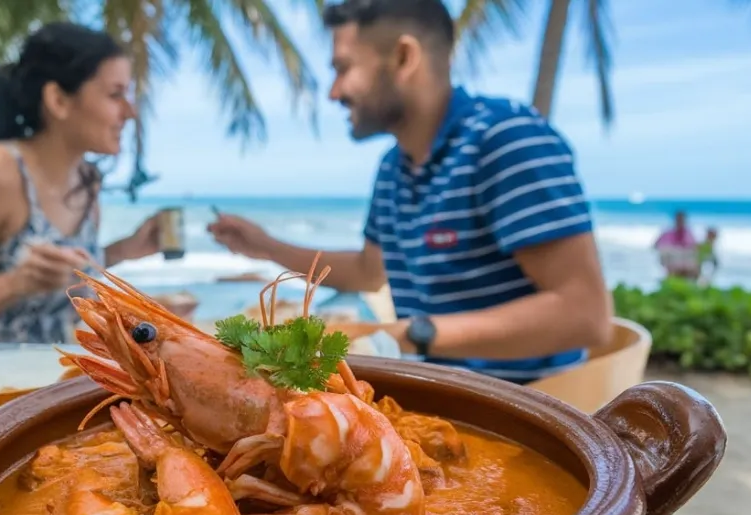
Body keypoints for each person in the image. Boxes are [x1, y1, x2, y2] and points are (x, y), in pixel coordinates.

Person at [207, 0, 613, 384]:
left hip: (522, 407)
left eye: (344, 68)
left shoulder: (504, 140)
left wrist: (410, 334)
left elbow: (586, 315)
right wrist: (264, 246)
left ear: (404, 57)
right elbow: (368, 272)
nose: (334, 92)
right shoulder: (394, 167)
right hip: (442, 392)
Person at [0, 22, 163, 343]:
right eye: (115, 94)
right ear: (58, 100)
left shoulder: (86, 180)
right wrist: (15, 284)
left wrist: (125, 249)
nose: (130, 112)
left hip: (56, 378)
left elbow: (63, 278)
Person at [654, 210, 699, 280]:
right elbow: (656, 245)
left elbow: (695, 248)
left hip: (686, 262)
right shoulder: (667, 233)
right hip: (672, 262)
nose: (680, 222)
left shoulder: (688, 234)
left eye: (682, 220)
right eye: (679, 220)